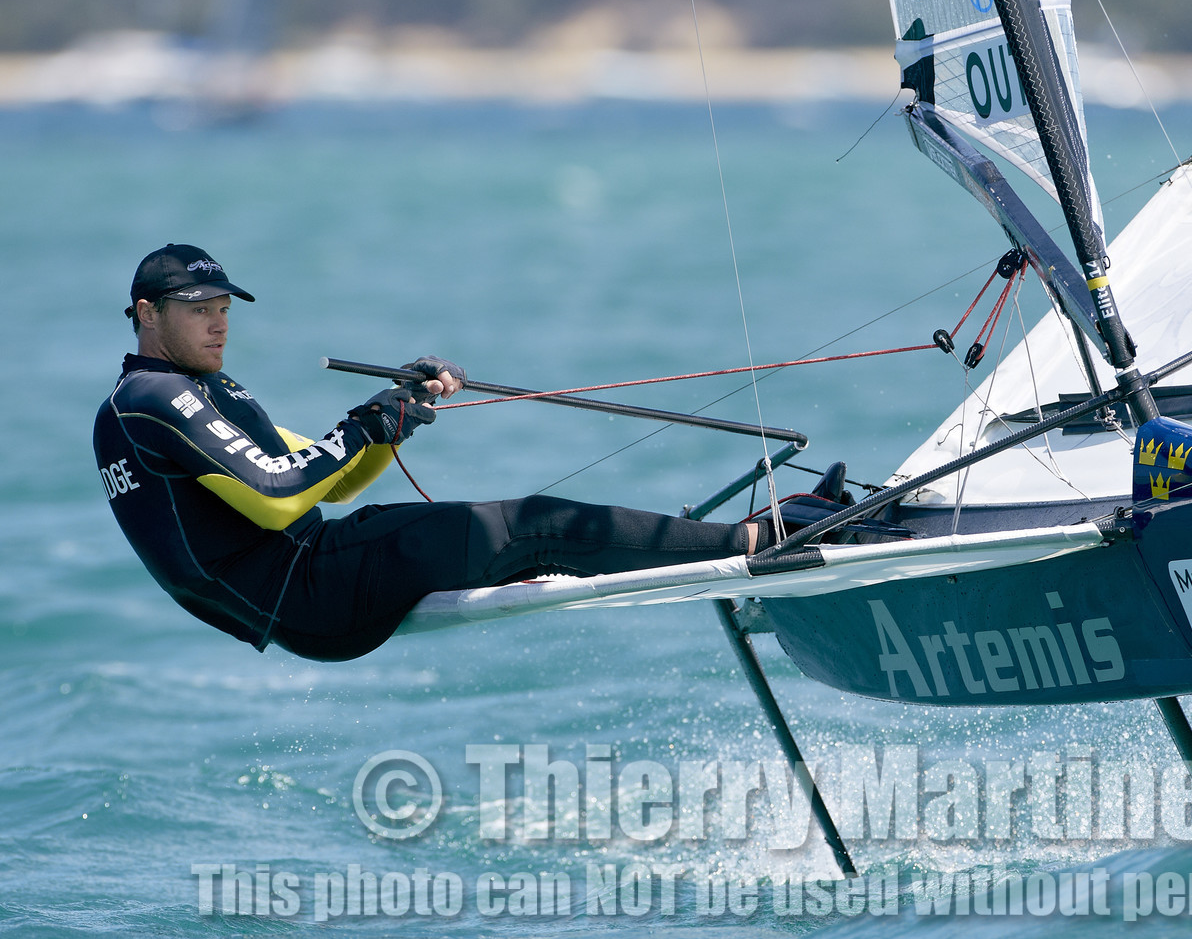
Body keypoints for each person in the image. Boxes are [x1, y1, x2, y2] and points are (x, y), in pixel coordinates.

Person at [94, 244, 764, 660]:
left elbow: (327, 485)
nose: (218, 323)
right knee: (535, 526)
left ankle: (729, 542)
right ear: (147, 313)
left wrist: (395, 418)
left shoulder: (201, 389)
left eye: (223, 307)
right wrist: (360, 425)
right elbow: (277, 495)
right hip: (307, 587)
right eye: (196, 309)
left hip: (310, 580)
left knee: (531, 537)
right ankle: (751, 541)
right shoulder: (150, 399)